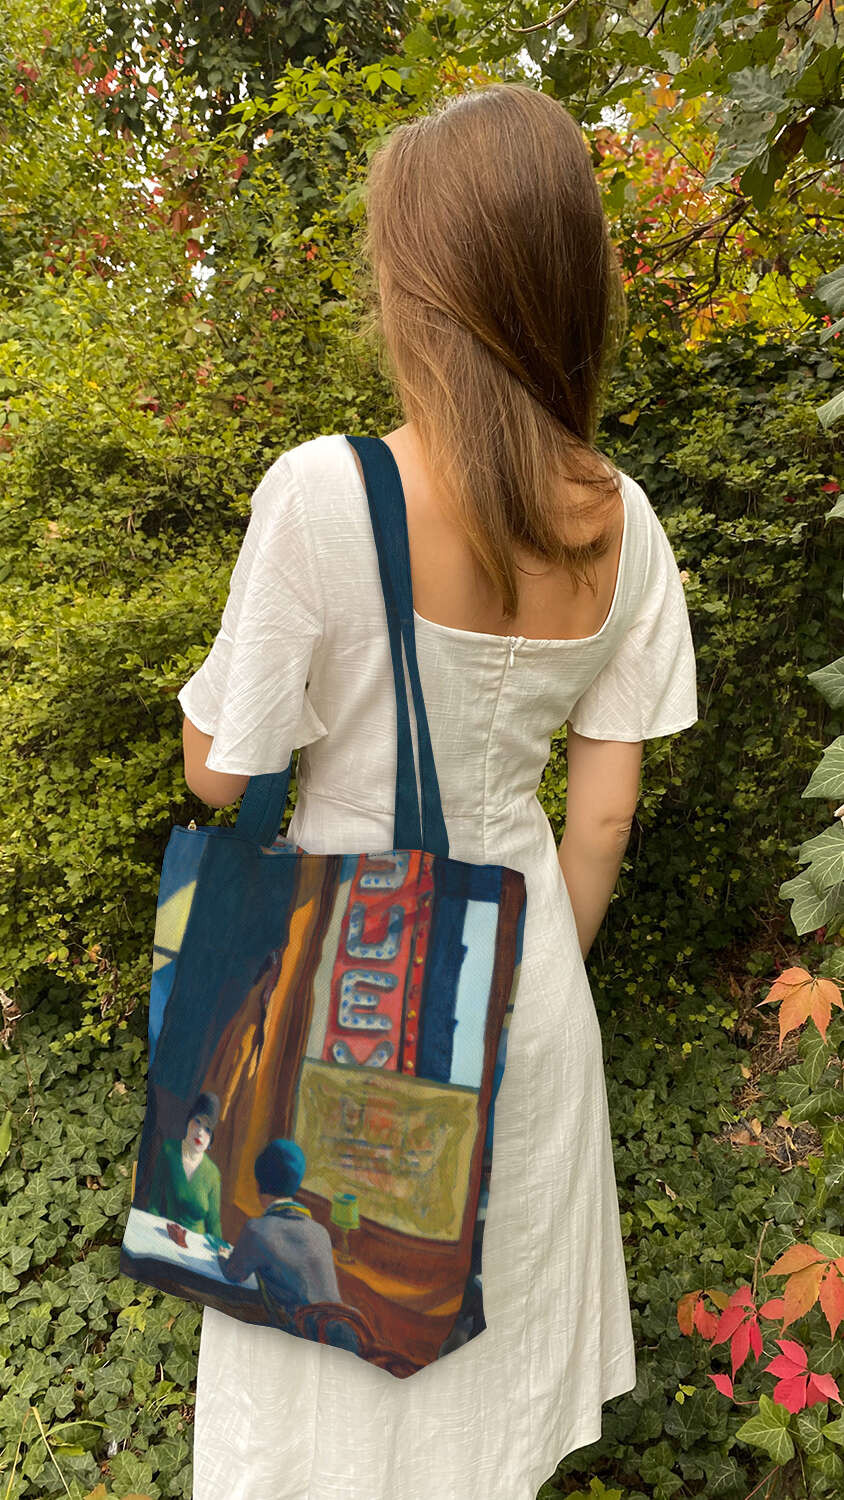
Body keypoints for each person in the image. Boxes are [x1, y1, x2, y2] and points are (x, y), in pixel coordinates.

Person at [177, 80, 698, 1500]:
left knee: (326, 1401)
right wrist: (509, 986)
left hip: (341, 993)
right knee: (480, 1414)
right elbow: (602, 818)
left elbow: (222, 769)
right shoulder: (624, 524)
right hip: (523, 990)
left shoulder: (324, 495)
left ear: (420, 290)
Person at [218, 1137, 342, 1312]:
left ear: (259, 1184)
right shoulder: (321, 1233)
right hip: (336, 1324)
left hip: (291, 1326)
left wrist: (223, 1257)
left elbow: (233, 1275)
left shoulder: (257, 1230)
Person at [146, 1091, 223, 1242]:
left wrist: (219, 1247)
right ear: (188, 1120)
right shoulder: (169, 1151)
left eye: (207, 1129)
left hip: (197, 1246)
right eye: (197, 1121)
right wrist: (153, 1234)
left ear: (211, 1138)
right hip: (165, 1235)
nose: (200, 1132)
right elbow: (153, 1202)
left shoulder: (213, 1173)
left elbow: (214, 1224)